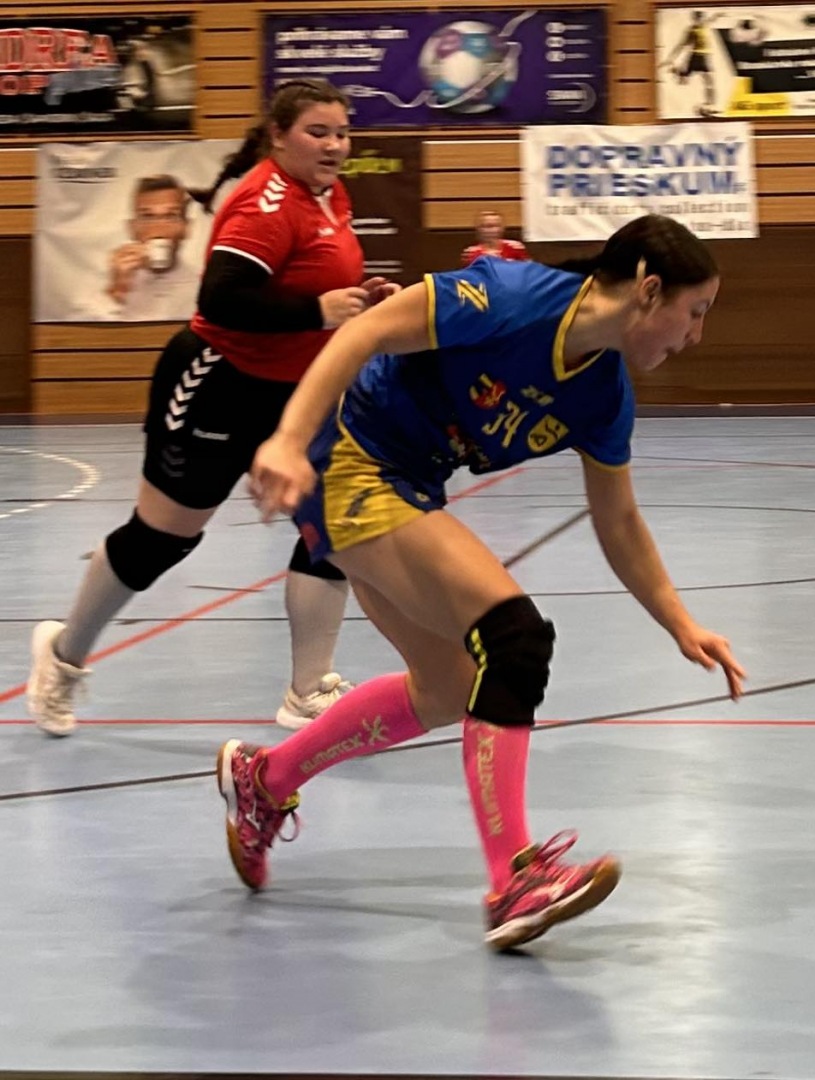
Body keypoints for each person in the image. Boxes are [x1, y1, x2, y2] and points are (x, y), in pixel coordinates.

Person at [216, 213, 748, 950]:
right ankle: (514, 879)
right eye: (695, 312)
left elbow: (618, 520)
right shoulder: (509, 296)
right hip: (347, 455)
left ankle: (266, 780)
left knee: (447, 689)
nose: (696, 335)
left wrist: (679, 621)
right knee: (513, 641)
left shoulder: (602, 395)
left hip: (408, 484)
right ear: (649, 291)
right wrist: (284, 439)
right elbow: (364, 332)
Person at [27, 78, 399, 737]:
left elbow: (309, 283)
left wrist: (355, 299)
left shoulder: (329, 195)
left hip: (296, 393)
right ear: (278, 135)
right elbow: (223, 298)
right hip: (217, 383)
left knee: (332, 527)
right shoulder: (265, 202)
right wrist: (316, 310)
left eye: (342, 133)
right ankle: (62, 656)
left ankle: (307, 690)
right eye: (318, 132)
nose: (335, 145)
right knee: (162, 539)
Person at [96, 174, 201, 321]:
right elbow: (78, 331)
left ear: (186, 228)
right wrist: (117, 291)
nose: (159, 227)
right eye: (148, 216)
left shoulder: (204, 290)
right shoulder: (109, 282)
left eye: (171, 215)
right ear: (132, 228)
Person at [662, 11, 717, 118]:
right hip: (696, 57)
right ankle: (675, 70)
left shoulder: (704, 25)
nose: (700, 20)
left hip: (704, 57)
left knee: (709, 82)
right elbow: (682, 44)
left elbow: (710, 21)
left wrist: (717, 16)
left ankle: (709, 106)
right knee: (686, 81)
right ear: (694, 19)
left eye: (701, 18)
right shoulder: (692, 31)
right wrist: (671, 58)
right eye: (698, 18)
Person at [460, 209, 529, 267]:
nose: (492, 230)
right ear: (479, 229)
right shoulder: (471, 253)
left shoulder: (515, 247)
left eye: (496, 226)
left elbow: (528, 271)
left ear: (502, 228)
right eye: (487, 226)